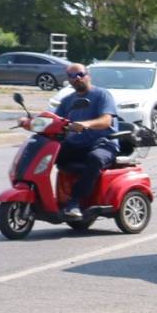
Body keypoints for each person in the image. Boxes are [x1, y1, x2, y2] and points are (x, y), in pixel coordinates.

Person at [51, 62, 118, 213]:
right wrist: (29, 122)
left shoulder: (102, 95)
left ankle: (75, 202)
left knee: (94, 158)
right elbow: (54, 119)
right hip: (77, 144)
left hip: (102, 143)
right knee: (47, 153)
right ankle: (44, 196)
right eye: (72, 76)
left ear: (88, 76)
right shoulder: (67, 100)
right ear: (68, 79)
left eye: (80, 74)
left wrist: (86, 124)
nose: (77, 78)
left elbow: (106, 120)